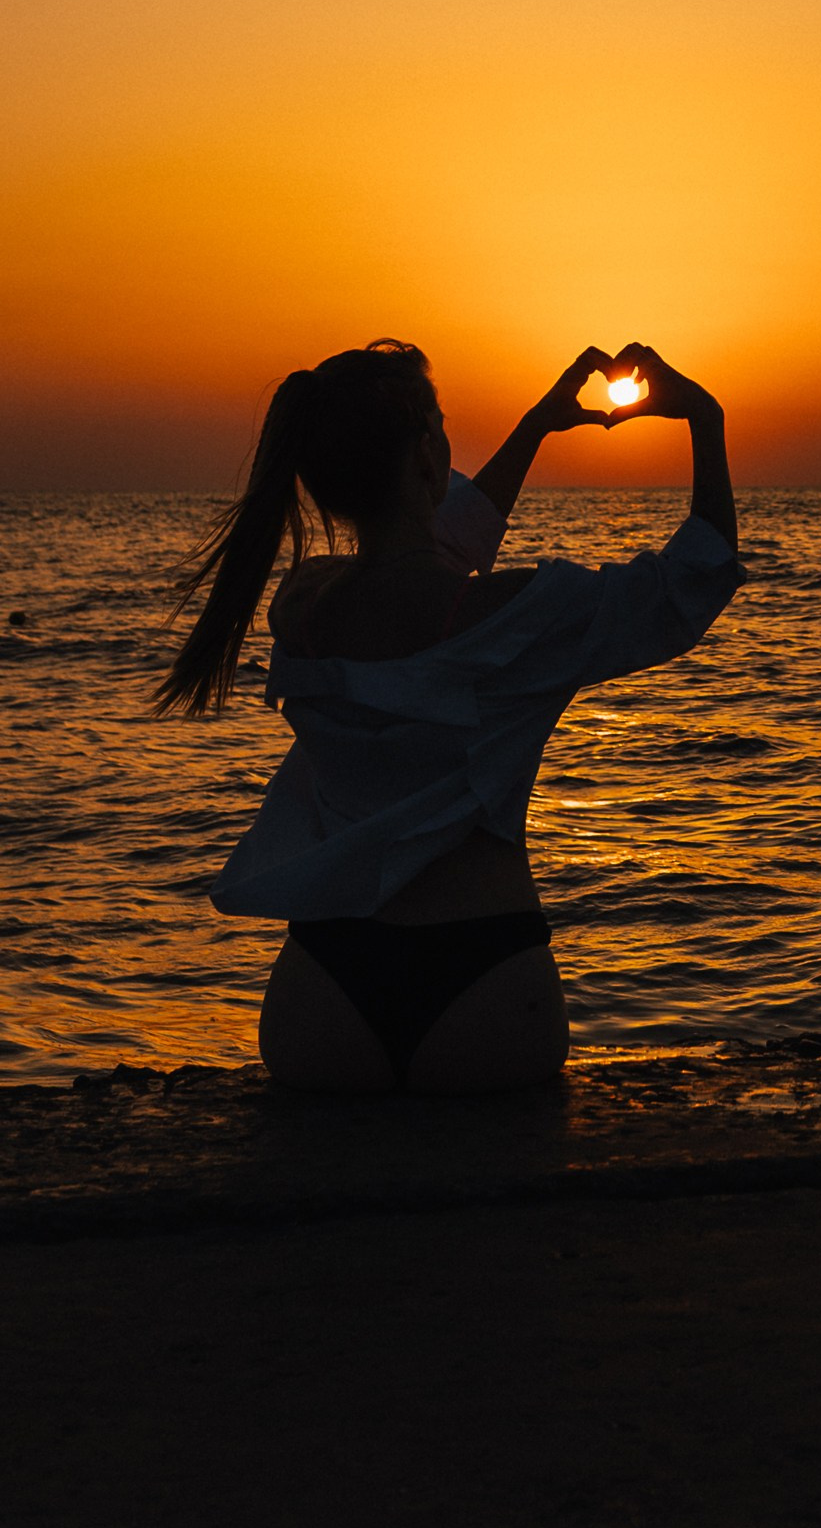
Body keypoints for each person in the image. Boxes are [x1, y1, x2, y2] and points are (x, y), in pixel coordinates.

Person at [157, 339, 741, 1097]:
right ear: (428, 456)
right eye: (437, 424)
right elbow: (692, 582)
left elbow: (430, 553)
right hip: (485, 977)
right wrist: (705, 417)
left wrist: (532, 429)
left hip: (325, 985)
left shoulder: (301, 605)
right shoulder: (516, 619)